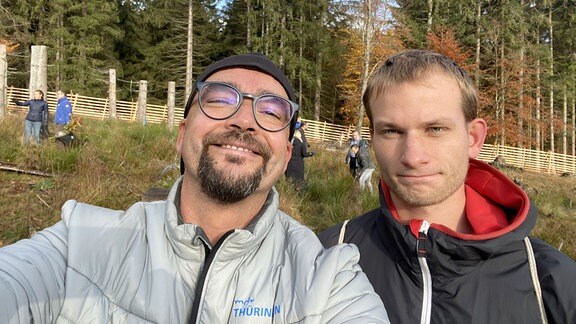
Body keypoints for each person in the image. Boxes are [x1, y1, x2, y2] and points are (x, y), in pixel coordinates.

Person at [0, 53, 389, 323]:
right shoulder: (79, 243)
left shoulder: (329, 279)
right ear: (182, 135)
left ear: (287, 156)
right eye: (220, 100)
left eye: (271, 111)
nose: (244, 121)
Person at [319, 49, 576, 323]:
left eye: (435, 129)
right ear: (373, 139)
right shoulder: (327, 255)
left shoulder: (549, 282)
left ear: (473, 138)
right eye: (391, 131)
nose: (413, 157)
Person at [285, 122, 314, 191]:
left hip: (290, 163)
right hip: (298, 164)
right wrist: (311, 154)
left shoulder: (290, 145)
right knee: (298, 179)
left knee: (289, 179)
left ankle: (288, 190)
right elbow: (304, 154)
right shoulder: (301, 145)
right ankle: (298, 190)